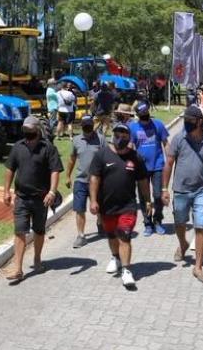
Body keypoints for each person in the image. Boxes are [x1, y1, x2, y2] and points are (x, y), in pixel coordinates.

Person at [162, 106, 203, 283]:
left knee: (201, 225)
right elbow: (169, 163)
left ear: (199, 121)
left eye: (190, 120)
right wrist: (164, 189)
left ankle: (198, 267)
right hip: (180, 190)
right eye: (185, 120)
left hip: (201, 190)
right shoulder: (179, 138)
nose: (186, 123)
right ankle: (183, 243)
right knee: (180, 222)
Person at [88, 122, 151, 289]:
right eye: (117, 134)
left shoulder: (135, 157)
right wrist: (93, 200)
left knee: (124, 235)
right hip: (106, 206)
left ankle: (126, 270)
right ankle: (115, 257)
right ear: (112, 135)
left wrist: (147, 200)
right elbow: (94, 178)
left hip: (128, 206)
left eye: (124, 135)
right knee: (111, 235)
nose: (120, 138)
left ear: (129, 138)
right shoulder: (102, 155)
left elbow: (143, 181)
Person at [3, 116, 64, 283]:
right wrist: (6, 191)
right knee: (19, 231)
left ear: (38, 131)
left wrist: (52, 191)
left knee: (39, 231)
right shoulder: (18, 147)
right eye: (25, 132)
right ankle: (18, 268)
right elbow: (10, 169)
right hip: (22, 197)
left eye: (30, 132)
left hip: (41, 199)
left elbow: (55, 171)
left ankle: (37, 258)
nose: (27, 135)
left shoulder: (48, 148)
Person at [65, 115, 106, 248]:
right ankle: (81, 235)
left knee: (99, 207)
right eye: (85, 126)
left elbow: (107, 158)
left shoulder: (100, 139)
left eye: (89, 125)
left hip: (98, 180)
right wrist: (67, 176)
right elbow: (71, 159)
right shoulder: (76, 140)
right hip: (81, 180)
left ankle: (100, 223)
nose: (88, 128)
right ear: (82, 126)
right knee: (79, 208)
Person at [129, 102, 169, 235]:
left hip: (157, 165)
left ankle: (158, 220)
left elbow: (165, 143)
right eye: (142, 115)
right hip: (141, 168)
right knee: (143, 197)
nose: (145, 117)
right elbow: (130, 146)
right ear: (138, 116)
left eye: (146, 114)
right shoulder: (133, 127)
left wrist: (170, 159)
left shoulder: (158, 124)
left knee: (158, 195)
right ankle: (147, 223)